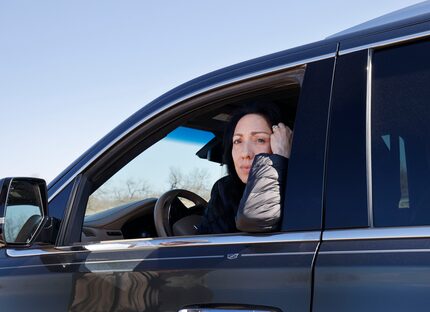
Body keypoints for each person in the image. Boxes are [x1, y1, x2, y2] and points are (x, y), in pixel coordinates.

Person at [198, 103, 293, 234]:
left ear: (282, 143)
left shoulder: (300, 191)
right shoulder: (224, 190)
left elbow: (256, 219)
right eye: (237, 141)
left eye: (260, 140)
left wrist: (280, 158)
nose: (245, 153)